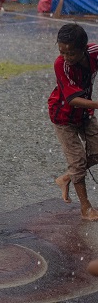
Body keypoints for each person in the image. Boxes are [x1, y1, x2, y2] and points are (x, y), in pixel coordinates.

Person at [49, 23, 98, 221]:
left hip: (85, 114)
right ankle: (86, 208)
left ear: (83, 48)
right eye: (62, 52)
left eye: (71, 53)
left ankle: (68, 177)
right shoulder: (61, 64)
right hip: (63, 116)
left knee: (97, 152)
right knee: (77, 161)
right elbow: (72, 99)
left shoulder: (94, 52)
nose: (66, 57)